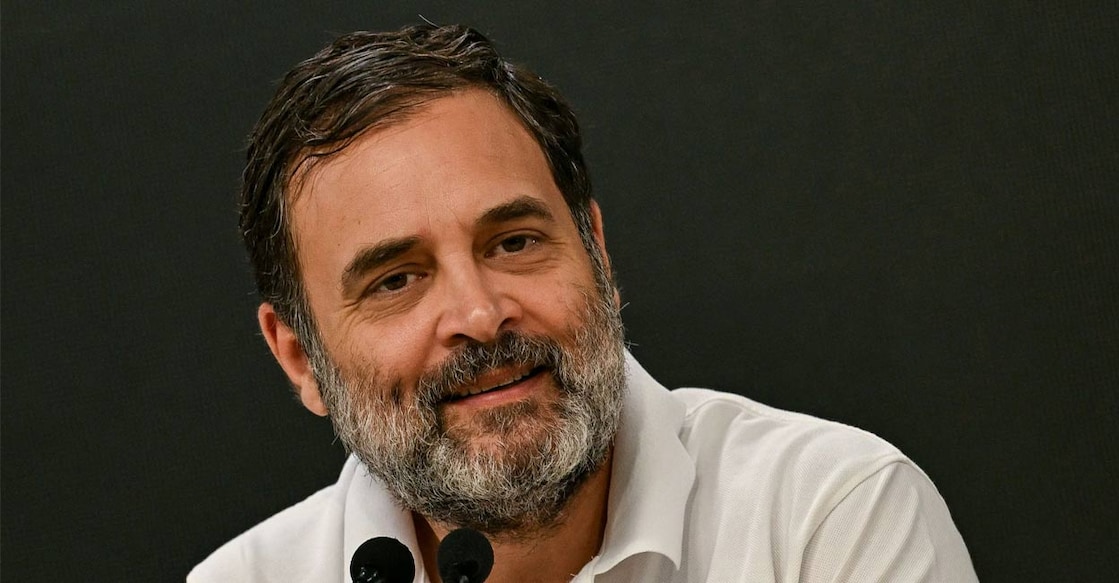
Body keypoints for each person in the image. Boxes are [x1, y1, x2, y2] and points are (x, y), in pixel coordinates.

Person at [189, 24, 978, 582]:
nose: (479, 311)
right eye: (396, 279)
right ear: (300, 358)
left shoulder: (827, 516)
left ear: (595, 250)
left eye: (513, 242)